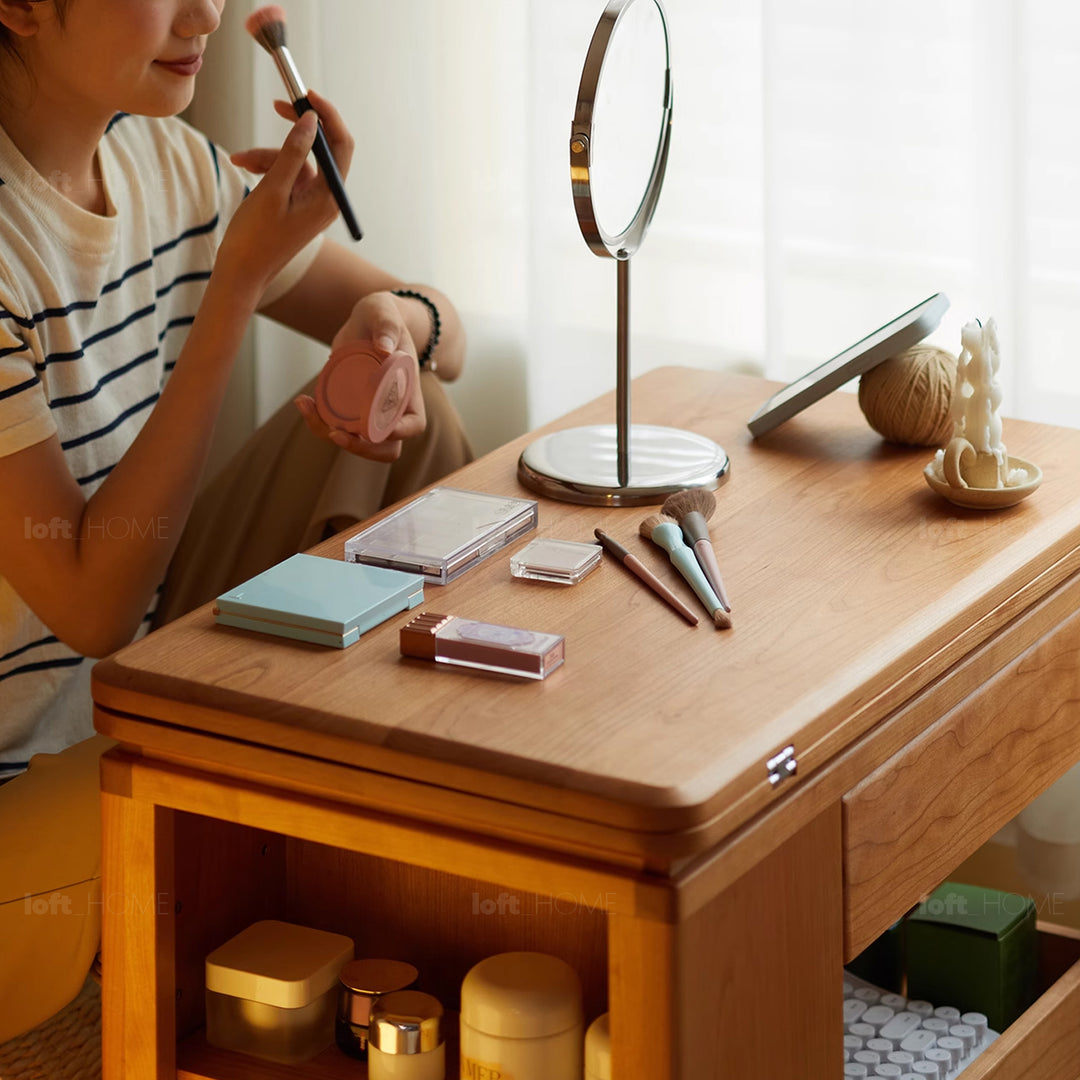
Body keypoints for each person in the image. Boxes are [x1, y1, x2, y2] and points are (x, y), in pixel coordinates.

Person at [0, 0, 473, 1042]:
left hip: (134, 668)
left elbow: (446, 332)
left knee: (416, 409)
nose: (207, 12)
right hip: (23, 789)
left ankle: (417, 863)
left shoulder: (169, 164)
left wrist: (397, 329)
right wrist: (236, 289)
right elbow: (93, 610)